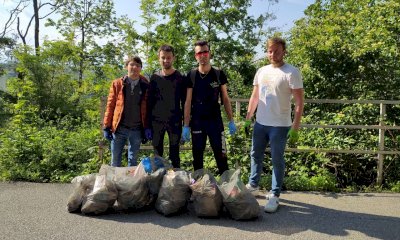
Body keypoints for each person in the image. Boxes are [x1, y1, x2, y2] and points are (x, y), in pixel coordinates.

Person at [244, 37, 304, 213]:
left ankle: (275, 194)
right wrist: (249, 117)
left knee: (277, 159)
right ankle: (253, 184)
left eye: (277, 51)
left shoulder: (291, 72)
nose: (273, 54)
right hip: (261, 123)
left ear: (284, 51)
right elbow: (255, 97)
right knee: (255, 154)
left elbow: (299, 103)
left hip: (280, 125)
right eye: (270, 51)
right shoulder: (261, 71)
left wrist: (295, 127)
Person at [182, 40, 237, 175]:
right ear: (196, 56)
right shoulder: (192, 75)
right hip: (197, 122)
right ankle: (199, 189)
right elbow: (188, 101)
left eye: (205, 52)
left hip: (215, 121)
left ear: (209, 54)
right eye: (199, 53)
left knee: (221, 156)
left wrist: (231, 120)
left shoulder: (218, 74)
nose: (202, 55)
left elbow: (225, 98)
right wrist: (186, 125)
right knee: (197, 158)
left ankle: (226, 187)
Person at [103, 56, 150, 167]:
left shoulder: (145, 85)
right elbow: (110, 106)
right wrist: (106, 126)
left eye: (138, 66)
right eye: (132, 64)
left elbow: (148, 108)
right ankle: (115, 184)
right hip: (119, 128)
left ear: (141, 68)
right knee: (115, 160)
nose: (134, 67)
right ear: (126, 67)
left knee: (133, 161)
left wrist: (147, 127)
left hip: (137, 130)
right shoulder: (117, 84)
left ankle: (129, 184)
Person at [147, 44, 186, 168]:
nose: (166, 60)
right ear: (159, 58)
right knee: (157, 155)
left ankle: (175, 183)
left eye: (168, 57)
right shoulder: (154, 78)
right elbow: (149, 103)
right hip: (156, 122)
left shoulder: (180, 78)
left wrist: (186, 124)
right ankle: (158, 181)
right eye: (163, 57)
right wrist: (147, 125)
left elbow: (185, 102)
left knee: (175, 154)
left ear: (173, 58)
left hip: (174, 121)